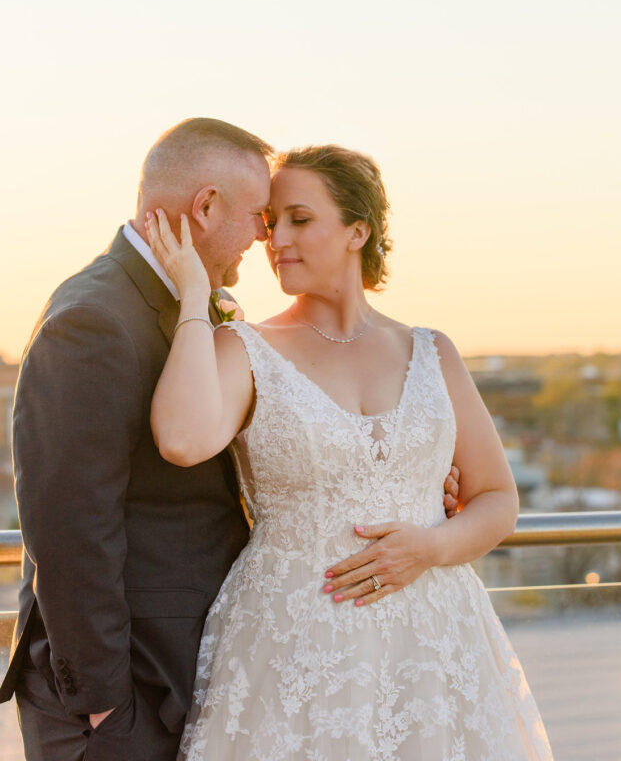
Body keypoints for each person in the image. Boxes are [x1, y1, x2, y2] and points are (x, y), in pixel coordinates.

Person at [146, 144, 554, 761]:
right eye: (270, 222)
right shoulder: (245, 346)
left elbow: (498, 498)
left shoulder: (433, 351)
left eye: (299, 220)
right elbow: (180, 440)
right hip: (296, 649)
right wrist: (192, 304)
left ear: (357, 230)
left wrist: (433, 546)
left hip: (436, 643)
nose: (275, 238)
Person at [0, 118, 273, 761]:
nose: (265, 235)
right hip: (123, 701)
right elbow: (68, 528)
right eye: (258, 215)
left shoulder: (193, 302)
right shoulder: (95, 319)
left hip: (179, 679)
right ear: (205, 206)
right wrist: (102, 706)